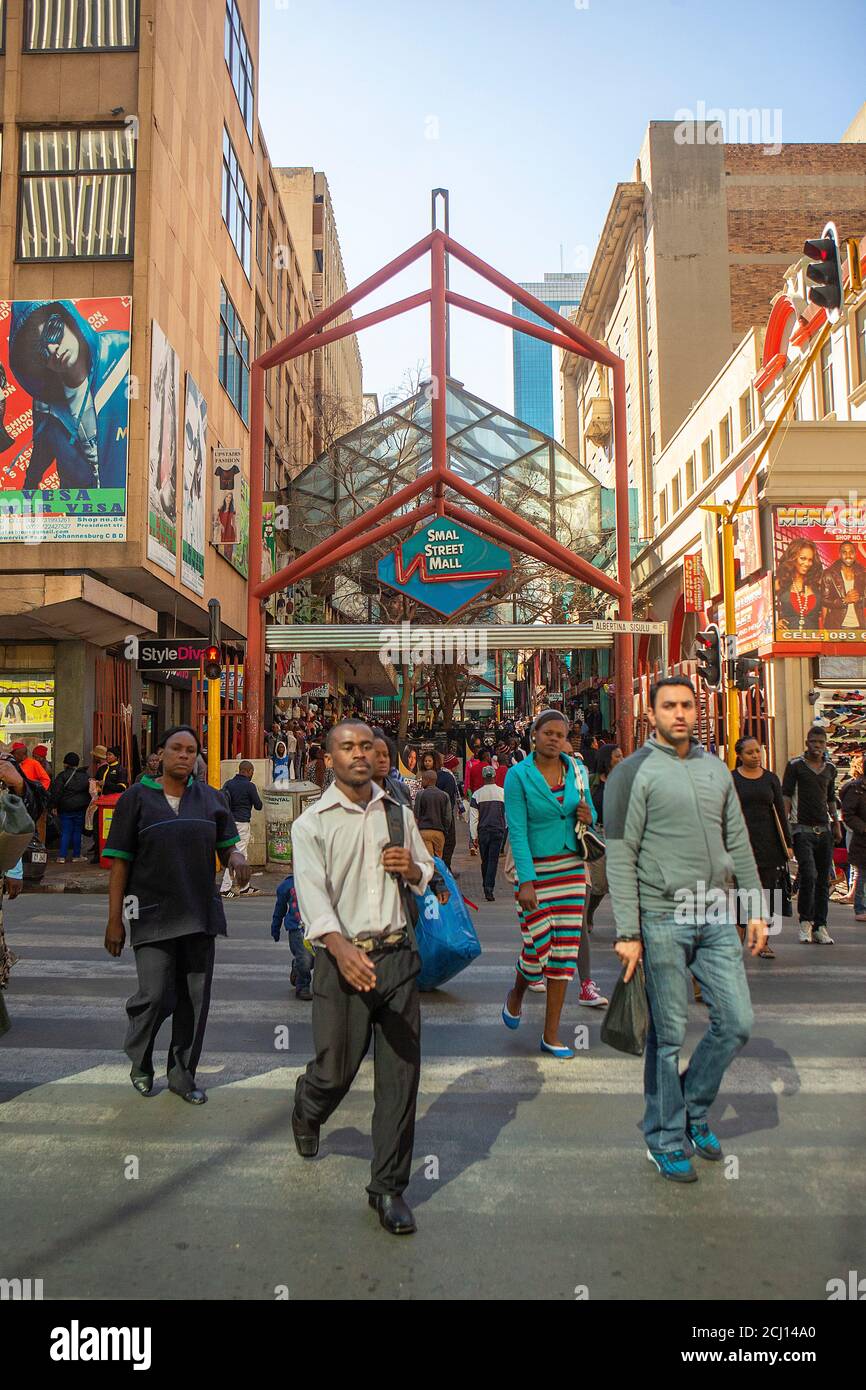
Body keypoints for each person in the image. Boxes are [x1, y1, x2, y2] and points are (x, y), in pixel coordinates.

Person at [605, 676, 766, 1184]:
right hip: (660, 915)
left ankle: (693, 1106)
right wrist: (627, 930)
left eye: (687, 705)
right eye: (668, 706)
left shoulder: (716, 769)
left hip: (716, 914)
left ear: (698, 712)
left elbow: (737, 841)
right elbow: (620, 855)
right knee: (669, 1034)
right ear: (651, 714)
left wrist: (756, 908)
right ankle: (665, 1137)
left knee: (736, 1022)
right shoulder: (631, 773)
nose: (679, 713)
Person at [290, 720, 435, 1236]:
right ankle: (308, 1108)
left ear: (379, 755)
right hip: (340, 960)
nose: (359, 754)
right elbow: (311, 896)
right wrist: (338, 946)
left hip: (395, 957)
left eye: (367, 746)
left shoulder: (398, 812)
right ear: (330, 758)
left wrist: (413, 870)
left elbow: (427, 869)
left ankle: (389, 1188)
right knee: (335, 1072)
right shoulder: (312, 823)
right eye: (347, 747)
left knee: (400, 1078)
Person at [103, 725, 250, 1104]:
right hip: (150, 914)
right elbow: (119, 863)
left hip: (199, 913)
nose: (185, 755)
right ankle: (140, 1057)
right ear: (161, 754)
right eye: (177, 748)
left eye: (191, 750)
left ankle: (182, 1075)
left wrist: (235, 858)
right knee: (155, 996)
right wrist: (114, 919)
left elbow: (227, 847)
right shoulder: (135, 799)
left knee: (194, 1000)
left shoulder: (211, 799)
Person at [501, 710, 595, 1057]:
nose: (555, 739)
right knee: (539, 948)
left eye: (562, 734)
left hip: (571, 870)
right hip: (535, 873)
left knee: (563, 954)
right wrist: (526, 881)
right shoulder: (517, 776)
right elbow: (519, 831)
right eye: (549, 733)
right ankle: (516, 993)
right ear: (535, 735)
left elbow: (588, 814)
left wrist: (590, 815)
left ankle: (551, 1035)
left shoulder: (579, 772)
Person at [8, 299, 129, 491]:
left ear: (70, 320)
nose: (52, 349)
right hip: (80, 513)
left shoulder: (124, 353)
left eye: (53, 331)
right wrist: (28, 488)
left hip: (128, 506)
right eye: (40, 352)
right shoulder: (45, 403)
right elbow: (42, 449)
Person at [732, 736, 793, 960]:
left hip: (770, 844)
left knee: (770, 891)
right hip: (742, 844)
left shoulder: (770, 779)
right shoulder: (732, 779)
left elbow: (780, 812)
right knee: (742, 892)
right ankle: (739, 934)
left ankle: (764, 940)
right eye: (750, 752)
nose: (756, 756)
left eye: (758, 751)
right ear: (739, 755)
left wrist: (788, 843)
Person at [782, 725, 841, 945]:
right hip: (801, 828)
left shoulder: (830, 768)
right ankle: (805, 923)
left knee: (824, 879)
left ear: (826, 744)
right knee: (809, 874)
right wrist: (786, 826)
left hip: (824, 830)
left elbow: (831, 798)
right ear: (807, 742)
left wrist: (836, 823)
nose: (817, 746)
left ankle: (821, 926)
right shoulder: (795, 766)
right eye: (813, 742)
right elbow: (786, 796)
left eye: (821, 742)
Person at [220, 760, 262, 897]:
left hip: (229, 822)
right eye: (252, 772)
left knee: (242, 855)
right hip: (242, 823)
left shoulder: (228, 784)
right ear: (249, 771)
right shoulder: (249, 786)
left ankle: (244, 886)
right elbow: (258, 805)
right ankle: (225, 888)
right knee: (236, 855)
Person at [271, 871, 313, 1000]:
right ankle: (303, 986)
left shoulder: (318, 881)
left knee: (314, 960)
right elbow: (280, 908)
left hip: (316, 928)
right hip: (297, 930)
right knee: (305, 959)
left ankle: (297, 966)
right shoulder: (288, 885)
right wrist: (275, 927)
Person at [470, 765, 506, 901]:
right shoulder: (502, 793)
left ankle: (486, 884)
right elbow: (507, 814)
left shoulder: (477, 795)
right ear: (494, 776)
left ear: (483, 777)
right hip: (498, 830)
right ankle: (488, 887)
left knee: (485, 860)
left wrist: (474, 837)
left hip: (483, 831)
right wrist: (505, 828)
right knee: (493, 860)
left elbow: (473, 819)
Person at [48, 752, 90, 863]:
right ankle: (76, 855)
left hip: (65, 808)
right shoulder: (85, 776)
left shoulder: (62, 776)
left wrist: (53, 805)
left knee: (65, 831)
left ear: (66, 763)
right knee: (77, 831)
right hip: (80, 807)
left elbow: (56, 792)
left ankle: (62, 856)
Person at [775, 539, 823, 634]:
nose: (807, 564)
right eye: (802, 558)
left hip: (815, 643)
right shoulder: (779, 583)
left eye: (810, 560)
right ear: (792, 557)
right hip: (786, 643)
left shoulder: (818, 585)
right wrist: (774, 623)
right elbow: (764, 615)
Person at [840, 758, 866, 922]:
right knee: (862, 874)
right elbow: (848, 814)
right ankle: (860, 907)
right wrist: (863, 828)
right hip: (862, 840)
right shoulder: (857, 788)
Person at [820, 541, 866, 630]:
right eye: (844, 552)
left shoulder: (863, 574)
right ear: (839, 555)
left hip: (859, 626)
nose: (848, 555)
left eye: (851, 552)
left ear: (855, 554)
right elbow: (824, 600)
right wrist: (844, 600)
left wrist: (859, 599)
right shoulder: (829, 574)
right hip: (837, 626)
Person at [413, 769, 452, 860]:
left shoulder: (420, 794)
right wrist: (445, 830)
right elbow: (448, 817)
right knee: (438, 860)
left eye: (423, 780)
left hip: (424, 832)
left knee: (428, 861)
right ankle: (438, 874)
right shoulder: (444, 795)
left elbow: (416, 815)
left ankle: (430, 874)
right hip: (439, 833)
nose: (421, 782)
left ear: (427, 780)